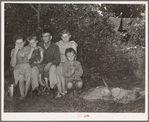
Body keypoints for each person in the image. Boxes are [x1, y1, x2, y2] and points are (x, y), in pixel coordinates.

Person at [56, 30, 78, 98]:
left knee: (62, 69)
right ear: (61, 37)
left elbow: (73, 55)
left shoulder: (72, 43)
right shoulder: (59, 44)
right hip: (60, 62)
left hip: (69, 62)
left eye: (66, 37)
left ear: (69, 36)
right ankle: (60, 91)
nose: (65, 39)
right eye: (63, 37)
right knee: (58, 70)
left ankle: (64, 90)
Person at [38, 29, 60, 96]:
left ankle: (52, 88)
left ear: (50, 37)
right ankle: (35, 90)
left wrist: (50, 63)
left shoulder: (55, 46)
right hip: (41, 65)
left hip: (51, 65)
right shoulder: (39, 46)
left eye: (46, 36)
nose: (44, 38)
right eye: (43, 36)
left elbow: (57, 60)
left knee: (53, 67)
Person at [10, 34, 31, 100]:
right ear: (15, 44)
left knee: (29, 76)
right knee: (21, 78)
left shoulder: (28, 49)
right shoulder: (13, 51)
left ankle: (25, 94)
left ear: (24, 42)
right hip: (18, 68)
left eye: (21, 43)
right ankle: (22, 96)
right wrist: (15, 53)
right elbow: (13, 65)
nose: (19, 45)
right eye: (17, 43)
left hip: (27, 67)